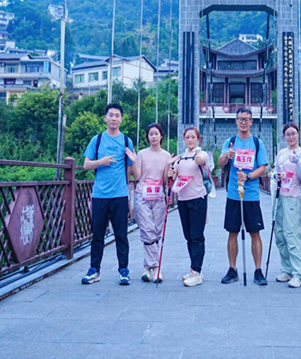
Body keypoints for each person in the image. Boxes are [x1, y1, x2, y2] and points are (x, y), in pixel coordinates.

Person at [81, 103, 134, 286]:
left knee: (121, 235)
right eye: (110, 115)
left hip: (119, 195)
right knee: (97, 235)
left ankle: (124, 271)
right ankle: (94, 270)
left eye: (117, 115)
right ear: (105, 118)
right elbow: (86, 165)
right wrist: (100, 162)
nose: (113, 118)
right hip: (99, 195)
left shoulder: (126, 141)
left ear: (121, 119)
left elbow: (129, 167)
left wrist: (124, 186)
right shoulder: (97, 140)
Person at [218, 107, 269, 286]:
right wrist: (227, 155)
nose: (243, 122)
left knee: (255, 232)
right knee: (232, 232)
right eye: (240, 119)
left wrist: (248, 176)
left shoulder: (257, 143)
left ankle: (258, 270)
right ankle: (232, 269)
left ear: (251, 122)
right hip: (234, 194)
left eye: (247, 119)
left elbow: (263, 168)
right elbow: (220, 162)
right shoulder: (230, 142)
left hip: (251, 195)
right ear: (236, 121)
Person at [127, 123, 173, 283]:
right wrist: (134, 161)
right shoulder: (141, 154)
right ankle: (156, 267)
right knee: (147, 229)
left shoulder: (166, 155)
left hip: (158, 195)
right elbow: (137, 176)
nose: (153, 137)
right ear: (147, 137)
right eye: (150, 134)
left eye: (156, 134)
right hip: (142, 194)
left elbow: (165, 179)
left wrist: (169, 166)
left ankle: (148, 268)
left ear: (161, 136)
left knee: (156, 231)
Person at [167, 126, 209, 287]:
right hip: (182, 200)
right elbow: (174, 175)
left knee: (197, 236)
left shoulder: (201, 153)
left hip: (198, 198)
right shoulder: (181, 158)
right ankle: (194, 268)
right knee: (188, 236)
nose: (190, 140)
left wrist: (199, 157)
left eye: (193, 137)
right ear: (184, 139)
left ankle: (196, 271)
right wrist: (170, 171)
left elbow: (202, 160)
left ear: (198, 139)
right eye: (187, 137)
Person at [273, 122, 301, 288]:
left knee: (292, 234)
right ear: (284, 136)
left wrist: (297, 162)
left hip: (293, 196)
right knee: (280, 234)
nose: (291, 136)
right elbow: (275, 171)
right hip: (279, 195)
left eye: (293, 133)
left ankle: (299, 273)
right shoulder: (281, 153)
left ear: (298, 134)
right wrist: (276, 175)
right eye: (288, 134)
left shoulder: (300, 153)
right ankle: (286, 268)